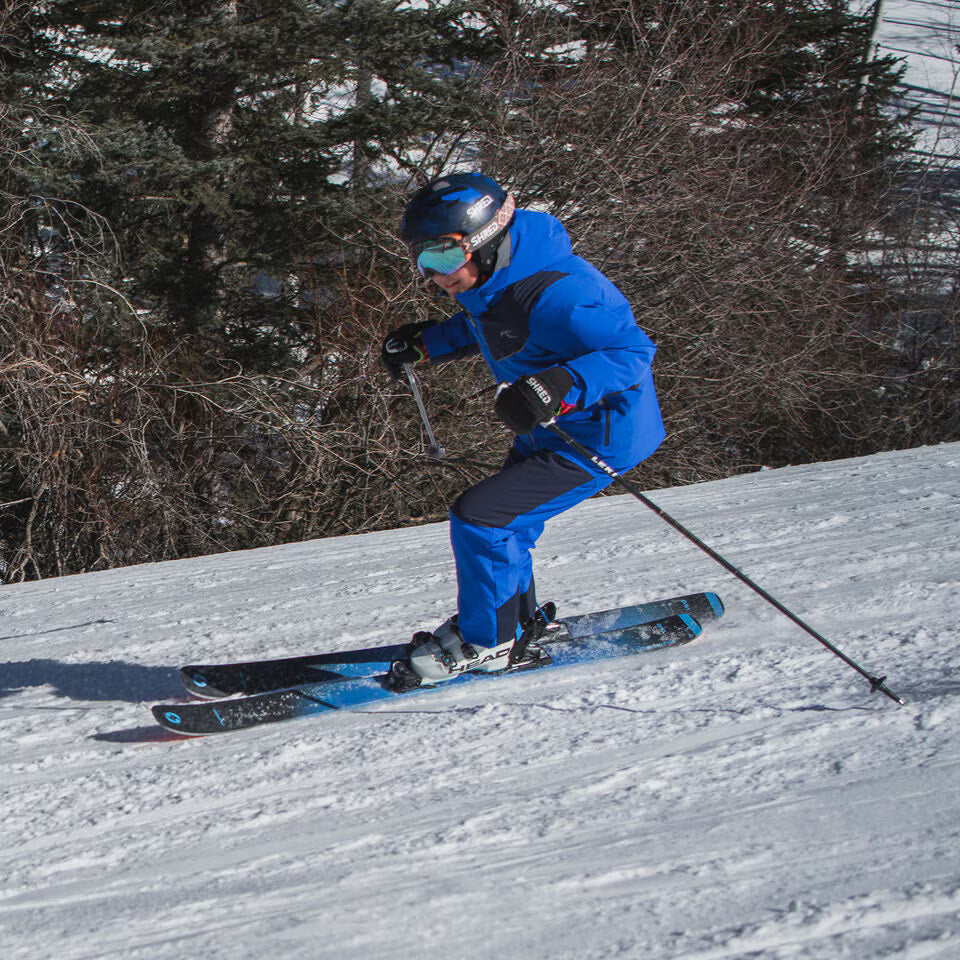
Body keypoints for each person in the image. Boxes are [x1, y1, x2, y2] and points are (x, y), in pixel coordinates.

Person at [381, 172, 665, 690]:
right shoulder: (493, 277)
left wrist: (559, 384)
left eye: (444, 255)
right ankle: (515, 622)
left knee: (481, 518)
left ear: (487, 239)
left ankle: (488, 643)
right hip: (554, 431)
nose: (434, 275)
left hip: (599, 437)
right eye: (423, 259)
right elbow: (487, 325)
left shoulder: (566, 295)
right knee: (505, 523)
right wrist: (425, 345)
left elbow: (632, 352)